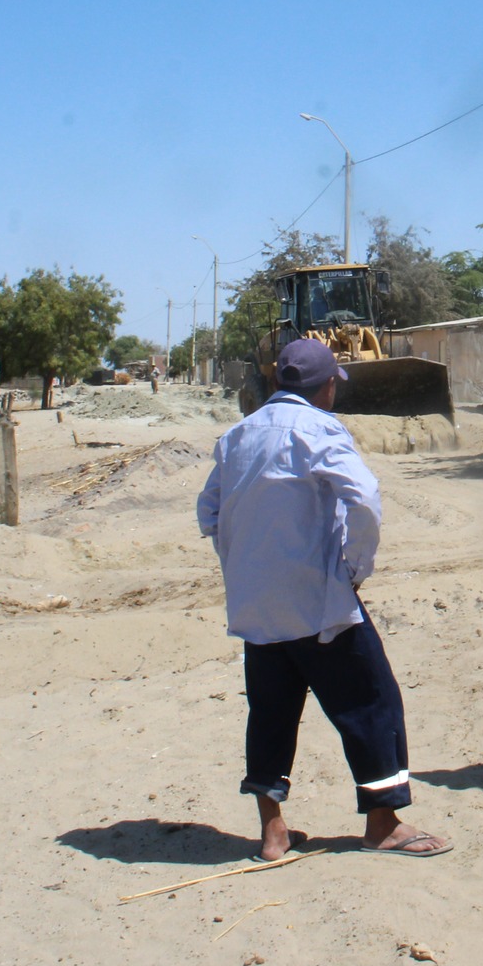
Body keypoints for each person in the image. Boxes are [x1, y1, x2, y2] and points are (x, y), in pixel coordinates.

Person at [196, 337, 452, 860]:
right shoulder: (321, 429)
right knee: (371, 700)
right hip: (318, 603)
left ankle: (273, 833)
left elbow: (209, 513)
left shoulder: (235, 436)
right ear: (328, 385)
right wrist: (354, 568)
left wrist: (243, 565)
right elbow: (364, 499)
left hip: (257, 606)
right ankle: (384, 822)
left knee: (270, 711)